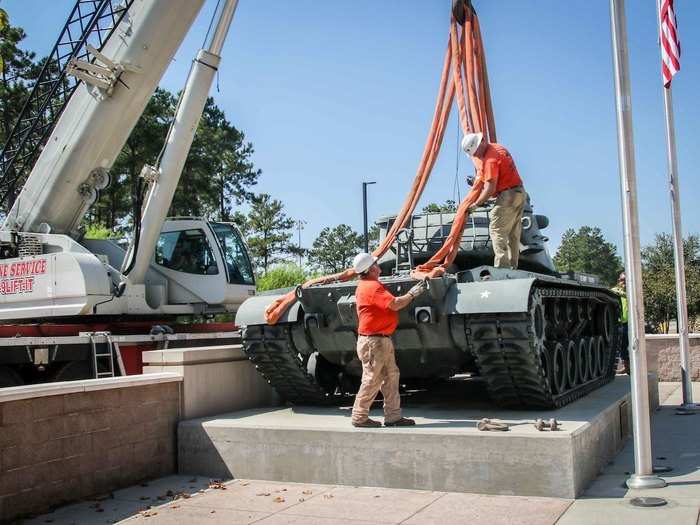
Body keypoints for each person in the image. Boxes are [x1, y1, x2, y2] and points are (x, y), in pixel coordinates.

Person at [350, 252, 428, 428]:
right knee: (372, 379)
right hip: (374, 341)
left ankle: (393, 416)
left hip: (379, 340)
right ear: (370, 269)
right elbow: (395, 304)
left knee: (391, 377)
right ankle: (359, 416)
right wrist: (412, 294)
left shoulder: (368, 285)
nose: (379, 267)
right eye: (376, 264)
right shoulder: (371, 286)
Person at [462, 132, 526, 269]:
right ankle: (513, 267)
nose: (476, 156)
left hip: (508, 195)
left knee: (497, 229)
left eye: (476, 152)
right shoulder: (497, 147)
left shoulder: (490, 159)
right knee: (513, 233)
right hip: (519, 192)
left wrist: (476, 204)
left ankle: (502, 268)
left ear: (481, 143)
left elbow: (490, 188)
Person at [612, 272, 630, 374]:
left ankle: (630, 366)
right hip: (621, 323)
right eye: (622, 280)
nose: (623, 282)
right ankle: (626, 367)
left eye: (625, 280)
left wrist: (621, 293)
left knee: (630, 345)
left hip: (631, 323)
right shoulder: (615, 291)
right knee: (622, 345)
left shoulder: (631, 291)